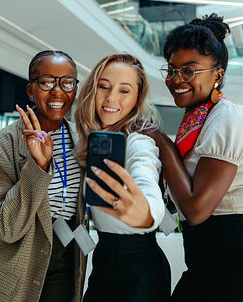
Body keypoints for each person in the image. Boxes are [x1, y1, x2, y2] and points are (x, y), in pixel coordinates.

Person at [147, 14, 243, 301]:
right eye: (171, 69)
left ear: (217, 75)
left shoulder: (228, 118)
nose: (176, 79)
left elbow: (196, 210)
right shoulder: (197, 120)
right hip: (207, 265)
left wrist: (162, 142)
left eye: (189, 71)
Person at [0, 50, 87, 302]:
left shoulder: (81, 140)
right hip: (6, 268)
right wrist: (38, 166)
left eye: (67, 82)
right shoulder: (6, 142)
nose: (58, 92)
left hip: (64, 264)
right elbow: (6, 228)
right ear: (30, 89)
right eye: (46, 82)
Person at [73, 52, 171, 302]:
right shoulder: (88, 144)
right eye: (103, 87)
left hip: (139, 267)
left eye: (124, 91)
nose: (111, 98)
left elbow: (146, 176)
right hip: (105, 257)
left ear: (137, 98)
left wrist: (147, 213)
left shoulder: (138, 144)